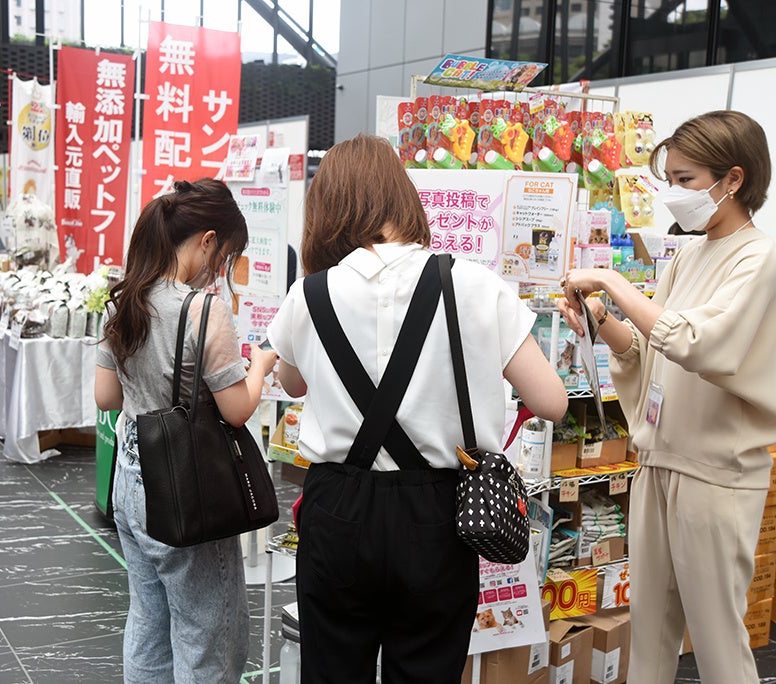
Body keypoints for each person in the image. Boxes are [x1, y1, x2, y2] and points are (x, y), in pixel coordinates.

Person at [266, 134, 567, 683]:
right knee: (427, 668)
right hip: (439, 512)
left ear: (327, 209)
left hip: (337, 506)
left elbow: (292, 381)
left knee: (332, 669)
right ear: (402, 196)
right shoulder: (473, 283)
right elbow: (551, 400)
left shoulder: (308, 293)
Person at [556, 110, 776, 684]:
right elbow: (648, 351)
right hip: (658, 464)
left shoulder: (760, 259)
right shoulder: (688, 254)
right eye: (670, 179)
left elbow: (702, 346)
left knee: (718, 641)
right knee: (648, 631)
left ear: (733, 179)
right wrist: (600, 319)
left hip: (716, 475)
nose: (673, 193)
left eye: (685, 179)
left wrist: (613, 283)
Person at [94, 178, 277, 682]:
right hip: (185, 485)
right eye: (226, 256)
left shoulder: (122, 298)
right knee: (207, 637)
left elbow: (106, 399)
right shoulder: (203, 310)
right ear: (208, 239)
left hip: (130, 479)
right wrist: (259, 365)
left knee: (148, 623)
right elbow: (237, 409)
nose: (221, 270)